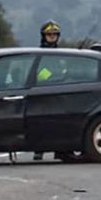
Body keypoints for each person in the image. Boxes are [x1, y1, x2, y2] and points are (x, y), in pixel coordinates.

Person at [34, 20, 61, 161]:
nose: (51, 37)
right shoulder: (39, 54)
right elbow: (37, 75)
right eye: (49, 34)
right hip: (42, 92)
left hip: (59, 93)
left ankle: (60, 150)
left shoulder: (62, 54)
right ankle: (39, 150)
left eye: (54, 34)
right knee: (40, 122)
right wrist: (51, 73)